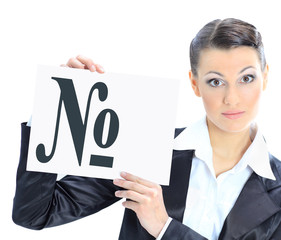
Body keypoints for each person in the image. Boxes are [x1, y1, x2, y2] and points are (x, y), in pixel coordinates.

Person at [12, 18, 281, 240]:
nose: (232, 98)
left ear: (265, 77)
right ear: (195, 83)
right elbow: (35, 213)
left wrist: (164, 228)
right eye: (215, 81)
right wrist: (54, 110)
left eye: (246, 78)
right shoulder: (147, 145)